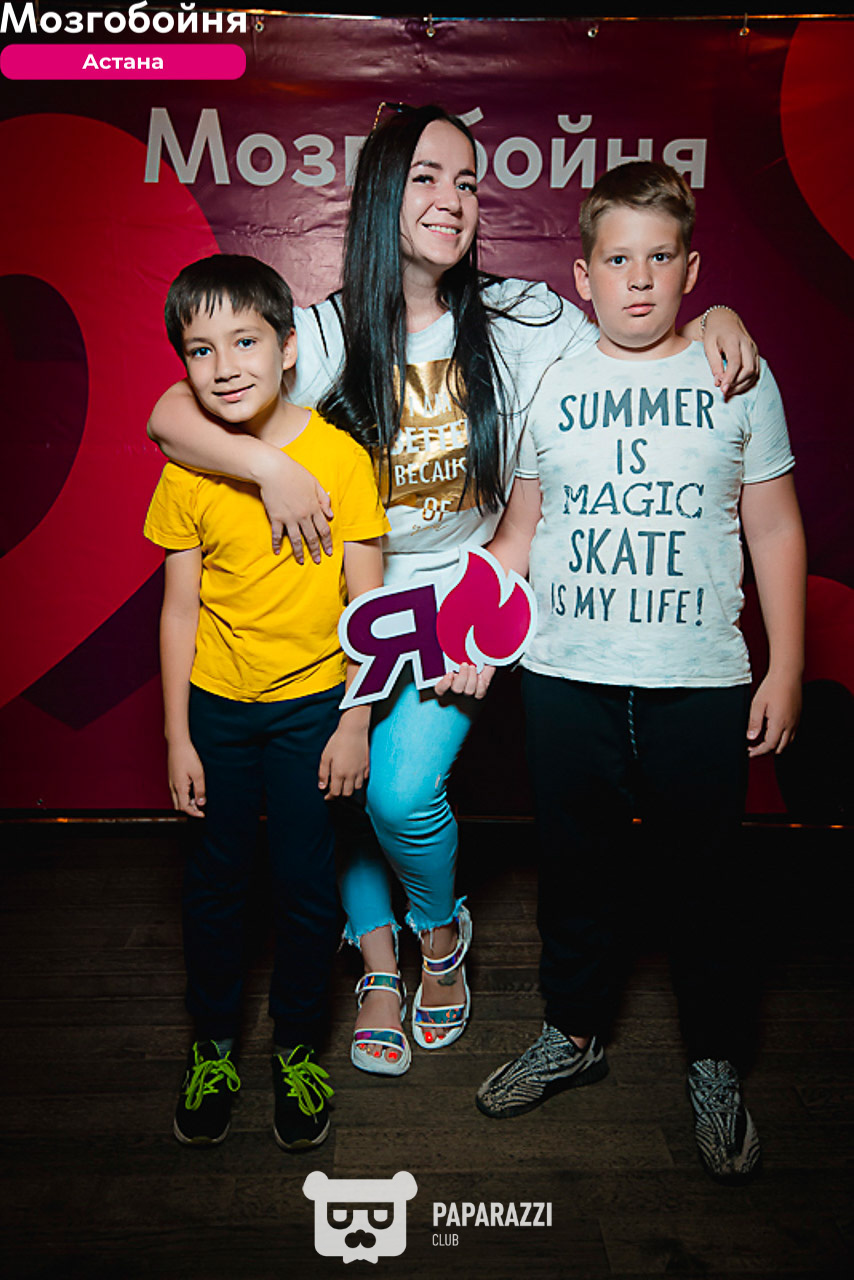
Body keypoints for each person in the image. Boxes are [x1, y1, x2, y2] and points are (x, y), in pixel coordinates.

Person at [147, 105, 759, 1078]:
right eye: (427, 177)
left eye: (467, 182)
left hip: (454, 606)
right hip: (340, 606)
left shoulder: (520, 318)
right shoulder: (322, 332)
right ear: (380, 192)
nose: (452, 199)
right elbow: (170, 412)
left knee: (397, 791)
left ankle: (439, 933)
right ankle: (377, 964)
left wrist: (711, 318)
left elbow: (633, 332)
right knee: (334, 789)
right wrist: (266, 468)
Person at [472, 161, 806, 1183]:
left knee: (706, 882)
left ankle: (714, 1058)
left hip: (698, 680)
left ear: (690, 269)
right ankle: (573, 1031)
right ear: (582, 276)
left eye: (660, 257)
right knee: (574, 869)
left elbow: (773, 525)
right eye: (617, 260)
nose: (639, 278)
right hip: (564, 673)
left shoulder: (734, 371)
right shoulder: (551, 381)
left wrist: (786, 665)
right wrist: (467, 631)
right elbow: (519, 531)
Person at [143, 254, 388, 1146]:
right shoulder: (190, 467)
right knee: (215, 885)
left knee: (303, 884)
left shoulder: (341, 460)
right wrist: (177, 736)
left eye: (245, 341)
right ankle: (211, 1047)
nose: (225, 366)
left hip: (312, 710)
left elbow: (371, 609)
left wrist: (356, 720)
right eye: (201, 350)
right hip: (216, 708)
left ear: (288, 349)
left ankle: (297, 1049)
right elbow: (179, 610)